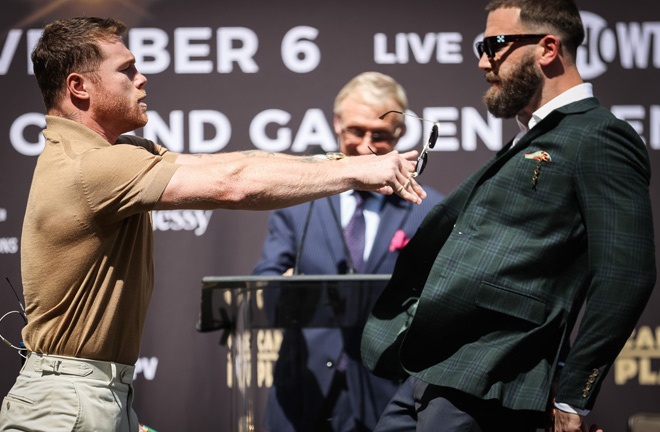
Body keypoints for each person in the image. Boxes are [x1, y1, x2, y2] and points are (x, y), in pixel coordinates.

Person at [0, 18, 427, 432]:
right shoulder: (91, 167)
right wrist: (356, 171)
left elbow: (232, 165)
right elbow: (234, 183)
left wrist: (343, 163)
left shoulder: (112, 154)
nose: (142, 78)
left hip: (91, 393)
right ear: (79, 87)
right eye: (126, 70)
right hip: (71, 399)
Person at [360, 1, 655, 432]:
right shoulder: (531, 137)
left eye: (495, 44)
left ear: (548, 49)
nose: (483, 60)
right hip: (433, 370)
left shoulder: (600, 136)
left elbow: (626, 274)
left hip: (494, 378)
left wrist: (574, 397)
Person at [252, 72, 444, 431]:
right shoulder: (297, 201)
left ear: (400, 135)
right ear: (337, 124)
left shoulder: (426, 207)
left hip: (389, 395)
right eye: (356, 130)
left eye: (381, 135)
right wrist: (283, 287)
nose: (366, 145)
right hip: (302, 390)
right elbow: (263, 282)